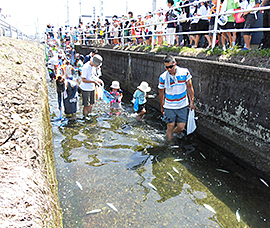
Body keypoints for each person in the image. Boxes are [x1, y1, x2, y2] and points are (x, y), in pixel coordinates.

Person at [158, 55, 195, 142]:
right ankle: (170, 143)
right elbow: (161, 93)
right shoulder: (163, 77)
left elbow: (190, 87)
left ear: (175, 64)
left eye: (171, 67)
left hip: (182, 104)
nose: (169, 69)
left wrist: (192, 102)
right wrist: (162, 106)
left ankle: (171, 135)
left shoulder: (184, 72)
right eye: (166, 67)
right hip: (169, 105)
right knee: (170, 126)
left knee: (181, 127)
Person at [80, 54, 103, 119]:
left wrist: (98, 80)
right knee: (86, 104)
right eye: (97, 64)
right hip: (85, 88)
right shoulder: (86, 67)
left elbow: (92, 76)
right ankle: (85, 116)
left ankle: (90, 113)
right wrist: (93, 82)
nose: (97, 66)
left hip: (91, 87)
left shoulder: (93, 67)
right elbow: (83, 79)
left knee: (91, 103)